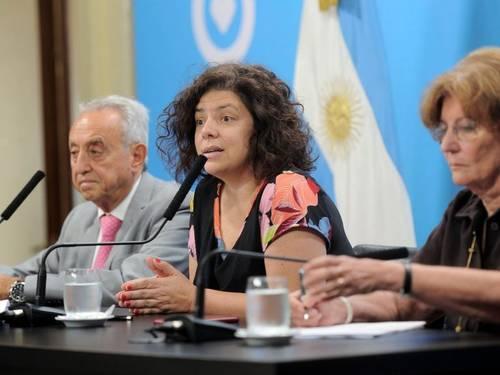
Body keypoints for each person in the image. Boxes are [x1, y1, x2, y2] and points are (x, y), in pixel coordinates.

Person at [116, 63, 352, 318]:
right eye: (199, 120)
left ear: (262, 128)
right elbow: (203, 307)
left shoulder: (289, 192)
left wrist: (192, 298)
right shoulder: (207, 194)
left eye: (226, 118)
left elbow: (297, 308)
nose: (207, 131)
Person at [292, 47, 500, 333]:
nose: (447, 145)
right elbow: (410, 303)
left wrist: (395, 274)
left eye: (466, 128)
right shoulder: (465, 209)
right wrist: (343, 309)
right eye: (443, 130)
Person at [0, 95, 191, 306]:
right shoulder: (80, 216)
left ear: (136, 156)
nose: (81, 166)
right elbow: (31, 271)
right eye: (74, 152)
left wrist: (17, 288)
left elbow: (133, 284)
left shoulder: (175, 207)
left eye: (95, 152)